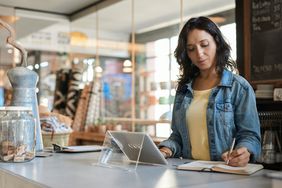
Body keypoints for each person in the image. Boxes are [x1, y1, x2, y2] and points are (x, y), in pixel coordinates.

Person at [158, 16, 261, 167]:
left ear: (217, 43)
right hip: (188, 173)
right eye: (191, 49)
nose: (199, 54)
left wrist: (244, 151)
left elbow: (250, 136)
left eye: (204, 45)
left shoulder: (239, 87)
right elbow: (178, 137)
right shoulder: (183, 89)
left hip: (225, 174)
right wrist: (165, 150)